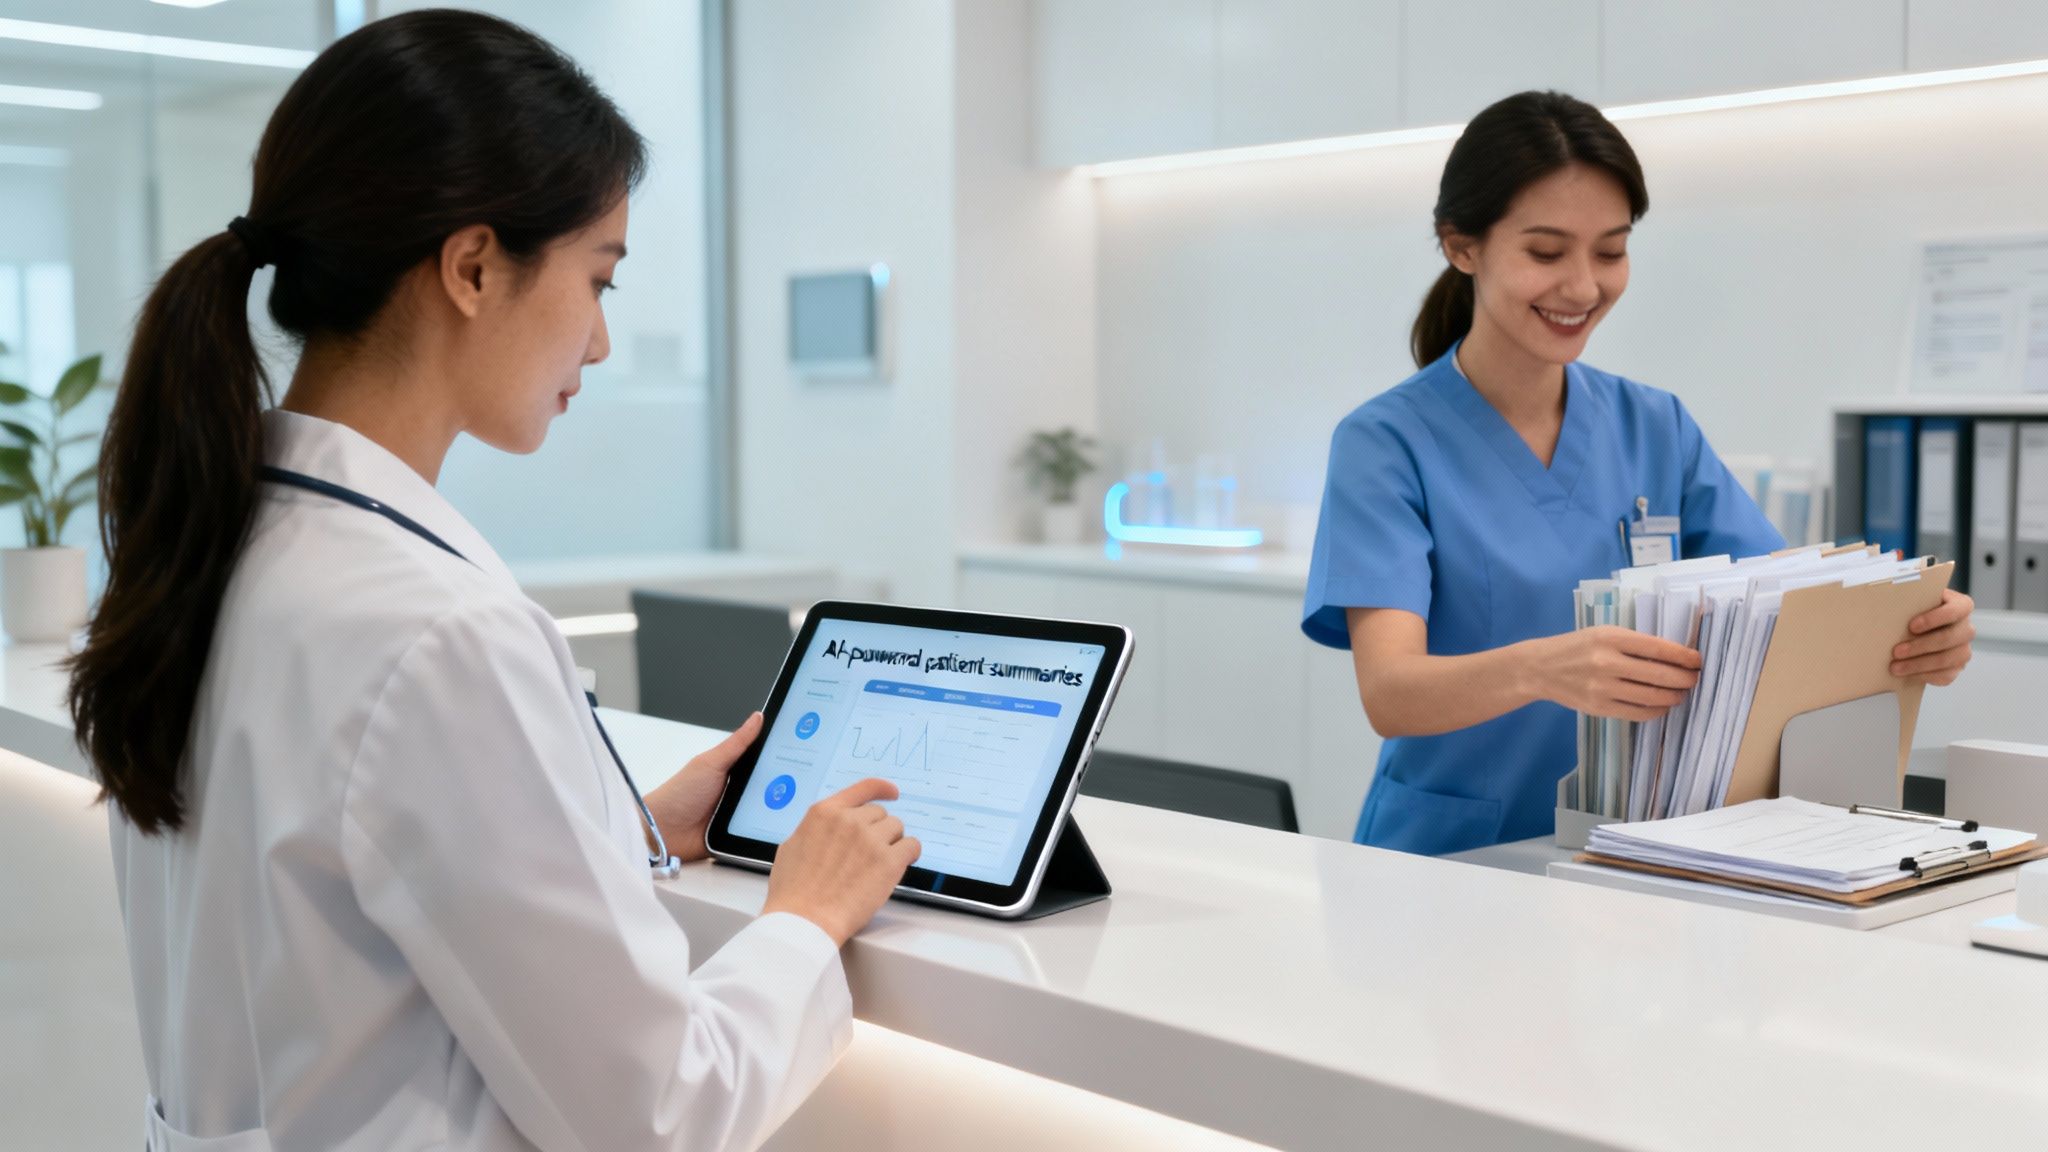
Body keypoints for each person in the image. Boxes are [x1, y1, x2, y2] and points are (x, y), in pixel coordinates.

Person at [69, 12, 917, 1150]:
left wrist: (626, 831)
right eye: (598, 278)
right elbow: (658, 1112)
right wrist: (806, 919)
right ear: (472, 267)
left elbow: (349, 884)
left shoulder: (218, 543)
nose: (601, 343)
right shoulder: (434, 631)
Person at [1300, 90, 1976, 857]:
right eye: (1546, 253)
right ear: (1463, 246)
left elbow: (1788, 616)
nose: (1584, 287)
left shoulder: (1657, 427)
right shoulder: (1387, 443)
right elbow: (1391, 693)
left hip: (1639, 856)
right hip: (1449, 859)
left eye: (1611, 251)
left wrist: (1912, 630)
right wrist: (1546, 668)